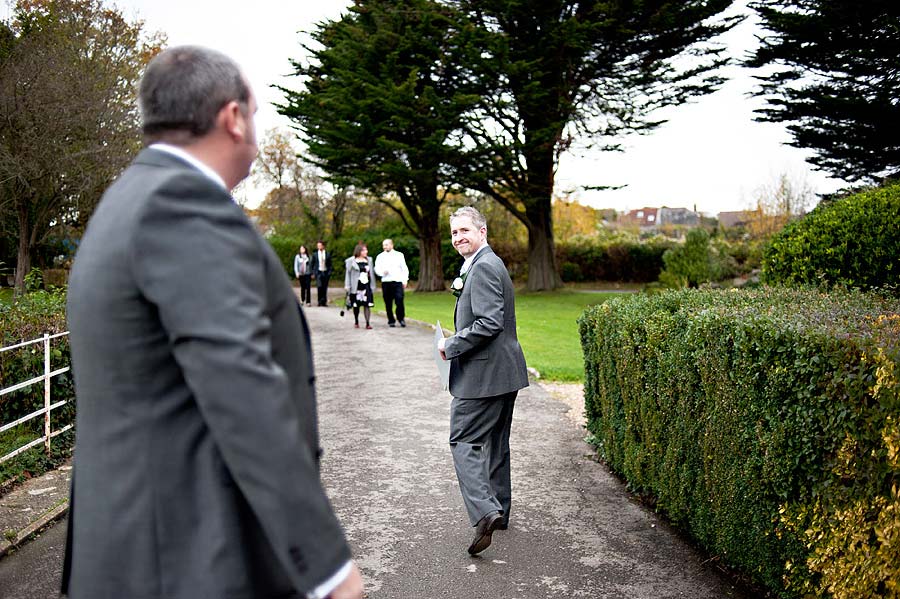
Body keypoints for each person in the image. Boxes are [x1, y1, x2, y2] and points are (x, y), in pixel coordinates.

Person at [62, 46, 363, 599]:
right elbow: (240, 385)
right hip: (185, 558)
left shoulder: (129, 197)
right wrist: (326, 568)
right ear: (233, 118)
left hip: (132, 549)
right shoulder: (181, 204)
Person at [438, 206, 529, 556]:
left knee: (464, 439)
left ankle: (486, 512)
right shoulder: (481, 264)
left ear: (482, 231)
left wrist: (451, 345)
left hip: (484, 373)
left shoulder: (486, 266)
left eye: (464, 230)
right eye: (454, 233)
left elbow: (490, 323)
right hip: (503, 372)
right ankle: (500, 509)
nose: (459, 237)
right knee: (494, 442)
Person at [374, 238, 409, 327]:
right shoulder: (380, 256)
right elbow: (376, 269)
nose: (384, 247)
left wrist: (405, 280)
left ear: (391, 245)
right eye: (383, 245)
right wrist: (382, 272)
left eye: (386, 245)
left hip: (397, 282)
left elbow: (404, 268)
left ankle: (401, 318)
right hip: (386, 282)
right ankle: (391, 320)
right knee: (388, 302)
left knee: (399, 300)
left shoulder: (399, 255)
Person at [344, 243, 375, 329]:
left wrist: (373, 285)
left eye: (366, 250)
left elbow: (371, 273)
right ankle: (356, 321)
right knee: (356, 305)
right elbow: (348, 274)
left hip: (366, 285)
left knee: (367, 304)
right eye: (364, 250)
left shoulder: (369, 260)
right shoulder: (351, 261)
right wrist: (347, 285)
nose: (366, 251)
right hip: (356, 285)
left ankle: (368, 323)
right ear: (359, 251)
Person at [311, 240, 333, 306]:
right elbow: (312, 264)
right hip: (318, 272)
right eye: (318, 246)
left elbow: (330, 264)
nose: (319, 247)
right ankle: (319, 301)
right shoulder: (315, 254)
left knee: (324, 287)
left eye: (320, 245)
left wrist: (329, 272)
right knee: (319, 286)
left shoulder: (327, 254)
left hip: (325, 272)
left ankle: (324, 302)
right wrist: (313, 273)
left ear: (323, 246)